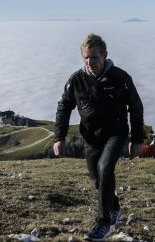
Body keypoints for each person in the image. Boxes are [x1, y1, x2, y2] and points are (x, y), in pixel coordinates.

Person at [53, 33, 144, 241]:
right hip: (91, 138)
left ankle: (103, 223)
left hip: (116, 134)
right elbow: (64, 107)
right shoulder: (76, 80)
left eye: (94, 57)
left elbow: (136, 107)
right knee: (97, 179)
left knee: (105, 169)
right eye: (86, 57)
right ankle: (115, 207)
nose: (89, 62)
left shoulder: (120, 78)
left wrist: (137, 140)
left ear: (104, 55)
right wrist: (59, 137)